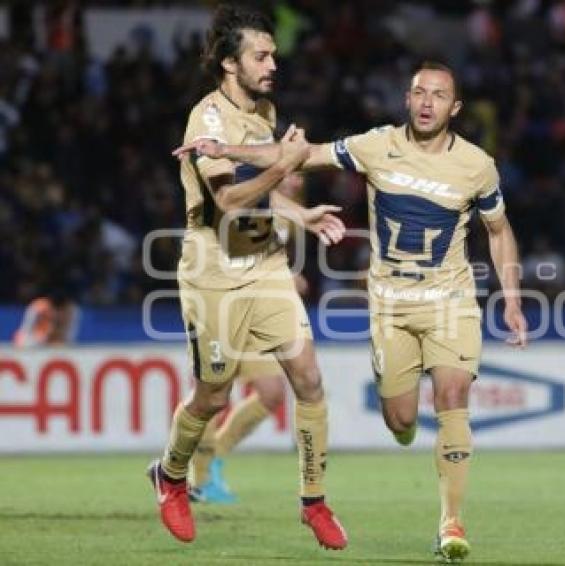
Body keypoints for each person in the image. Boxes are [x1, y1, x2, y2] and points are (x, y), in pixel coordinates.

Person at [175, 61, 528, 563]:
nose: (427, 102)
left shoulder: (477, 165)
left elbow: (498, 230)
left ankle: (450, 521)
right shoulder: (374, 145)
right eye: (419, 92)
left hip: (451, 302)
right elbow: (300, 155)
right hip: (391, 307)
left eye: (439, 95)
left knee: (453, 395)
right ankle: (403, 428)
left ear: (456, 107)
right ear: (406, 99)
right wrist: (224, 148)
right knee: (401, 418)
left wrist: (512, 300)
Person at [150, 4, 347, 550]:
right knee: (212, 395)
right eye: (260, 56)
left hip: (265, 265)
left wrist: (298, 213)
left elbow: (262, 197)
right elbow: (231, 199)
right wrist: (286, 164)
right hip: (214, 269)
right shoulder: (206, 118)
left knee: (307, 378)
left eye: (273, 56)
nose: (271, 65)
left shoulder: (264, 114)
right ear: (230, 64)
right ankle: (170, 476)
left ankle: (314, 501)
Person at [189, 174, 311, 504]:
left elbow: (268, 256)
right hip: (223, 306)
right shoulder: (247, 197)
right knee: (213, 394)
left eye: (301, 175)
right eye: (292, 172)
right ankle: (191, 474)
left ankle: (214, 459)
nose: (297, 181)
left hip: (258, 313)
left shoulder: (292, 216)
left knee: (271, 393)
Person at [13, 288, 79, 348]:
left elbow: (69, 335)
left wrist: (59, 341)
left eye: (60, 310)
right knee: (26, 342)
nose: (57, 312)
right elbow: (25, 328)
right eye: (54, 308)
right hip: (36, 339)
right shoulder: (38, 307)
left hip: (57, 341)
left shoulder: (72, 310)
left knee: (62, 346)